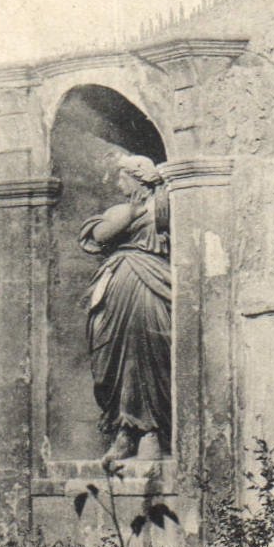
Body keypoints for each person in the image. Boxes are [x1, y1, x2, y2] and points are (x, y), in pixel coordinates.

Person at [80, 154, 173, 463]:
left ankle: (149, 432)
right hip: (118, 287)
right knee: (113, 352)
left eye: (122, 176)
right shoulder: (124, 211)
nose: (117, 182)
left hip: (152, 283)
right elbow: (98, 235)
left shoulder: (163, 206)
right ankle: (123, 431)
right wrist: (130, 212)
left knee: (147, 351)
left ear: (137, 178)